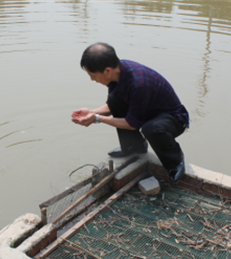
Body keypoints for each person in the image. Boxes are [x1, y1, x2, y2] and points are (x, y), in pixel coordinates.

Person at [71, 42, 189, 182]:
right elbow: (112, 105)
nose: (92, 79)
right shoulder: (117, 73)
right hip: (148, 112)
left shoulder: (138, 83)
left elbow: (131, 124)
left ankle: (175, 162)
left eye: (93, 75)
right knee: (115, 99)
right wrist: (90, 112)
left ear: (107, 71)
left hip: (173, 119)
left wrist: (97, 118)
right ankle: (134, 147)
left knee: (151, 129)